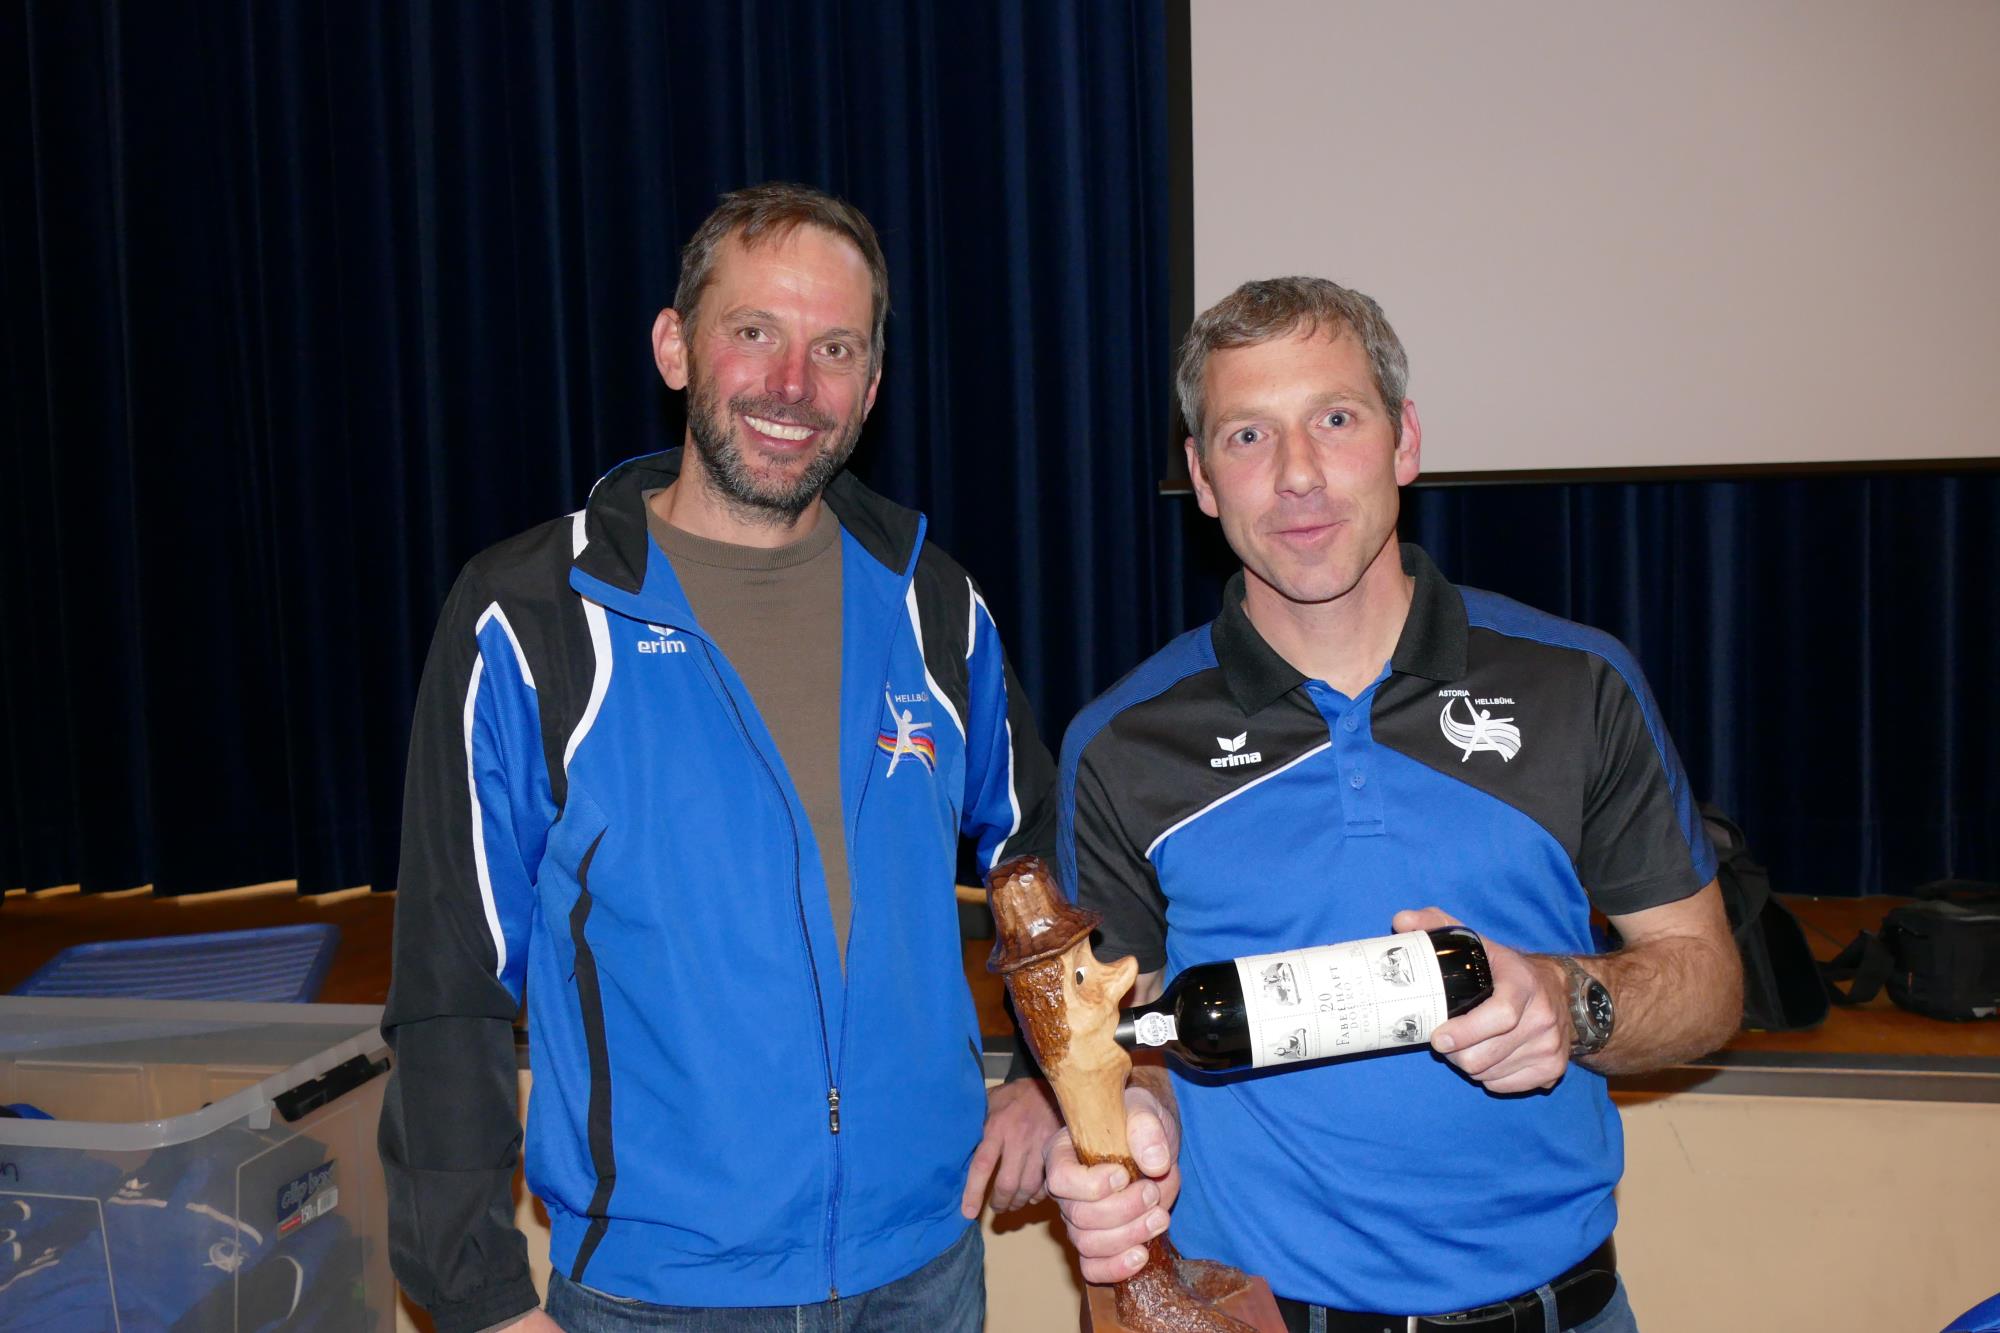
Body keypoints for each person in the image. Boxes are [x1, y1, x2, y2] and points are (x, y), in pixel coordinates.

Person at [379, 183, 1060, 1333]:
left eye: (832, 346)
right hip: (656, 1297)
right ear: (675, 347)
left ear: (872, 386)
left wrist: (1046, 1077)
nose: (792, 385)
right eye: (754, 333)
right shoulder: (532, 614)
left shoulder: (931, 602)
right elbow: (449, 981)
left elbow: (1036, 857)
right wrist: (478, 1295)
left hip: (922, 1270)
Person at [1041, 277, 1743, 1332]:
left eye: (1334, 419)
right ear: (1198, 477)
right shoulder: (1122, 743)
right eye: (1245, 435)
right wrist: (1132, 1121)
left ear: (1403, 442)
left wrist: (1565, 1001)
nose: (1297, 476)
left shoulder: (1575, 683)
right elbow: (1126, 1032)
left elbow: (1705, 983)